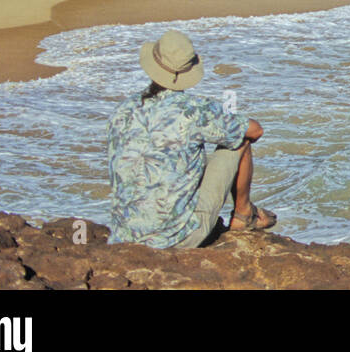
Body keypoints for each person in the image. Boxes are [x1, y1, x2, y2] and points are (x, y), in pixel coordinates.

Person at [107, 29, 276, 248]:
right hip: (178, 238)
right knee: (239, 139)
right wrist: (226, 118)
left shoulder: (122, 110)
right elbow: (255, 131)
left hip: (125, 235)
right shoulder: (195, 111)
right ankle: (243, 215)